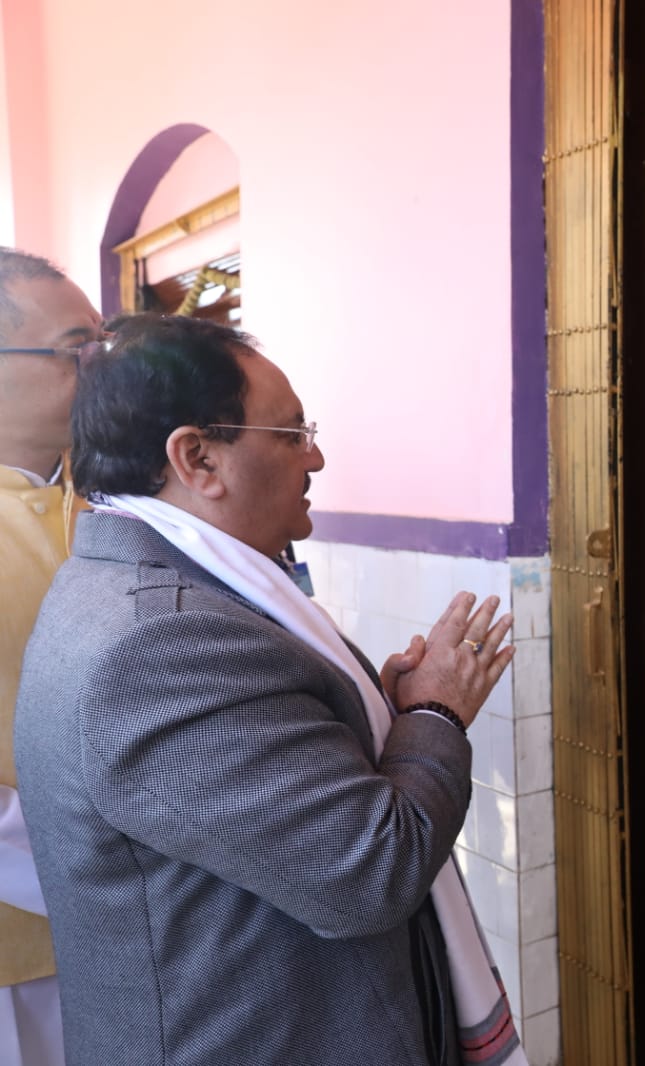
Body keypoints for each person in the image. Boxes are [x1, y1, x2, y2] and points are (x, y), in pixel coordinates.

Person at [15, 314, 527, 1066]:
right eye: (291, 434)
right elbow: (370, 871)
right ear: (198, 459)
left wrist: (371, 717)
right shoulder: (160, 644)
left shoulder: (150, 582)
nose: (316, 455)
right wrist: (434, 713)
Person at [0, 248, 100, 1066]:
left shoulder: (98, 508)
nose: (103, 373)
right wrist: (81, 866)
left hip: (121, 925)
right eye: (79, 350)